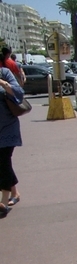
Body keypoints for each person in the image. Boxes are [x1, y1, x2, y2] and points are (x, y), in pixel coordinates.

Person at [0, 53, 24, 217]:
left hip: (7, 127)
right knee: (3, 162)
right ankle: (15, 193)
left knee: (2, 160)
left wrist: (2, 83)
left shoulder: (4, 73)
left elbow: (19, 93)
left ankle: (4, 199)